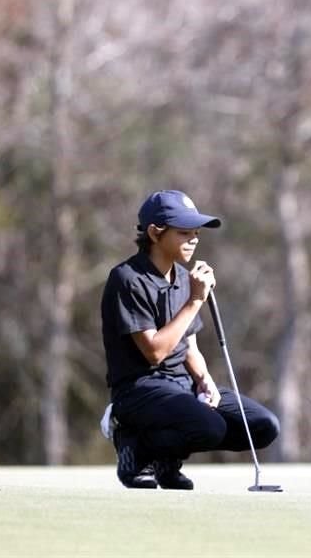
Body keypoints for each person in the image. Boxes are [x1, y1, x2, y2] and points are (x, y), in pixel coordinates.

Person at [100, 189, 280, 489]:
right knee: (208, 427)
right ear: (156, 233)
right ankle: (132, 442)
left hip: (181, 386)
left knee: (263, 427)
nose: (194, 239)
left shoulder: (185, 278)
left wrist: (204, 379)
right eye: (184, 233)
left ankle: (165, 458)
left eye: (196, 233)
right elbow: (154, 352)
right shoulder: (127, 279)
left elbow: (190, 346)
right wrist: (196, 300)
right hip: (138, 389)